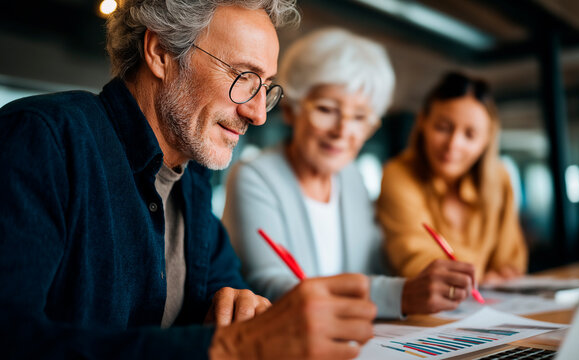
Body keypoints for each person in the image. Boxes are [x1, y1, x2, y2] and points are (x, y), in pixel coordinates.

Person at [0, 2, 377, 359]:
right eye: (243, 76)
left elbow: (230, 291)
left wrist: (245, 307)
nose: (258, 113)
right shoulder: (42, 140)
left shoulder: (192, 180)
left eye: (265, 86)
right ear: (161, 52)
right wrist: (232, 346)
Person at [222, 28, 476, 319]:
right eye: (327, 109)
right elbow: (268, 286)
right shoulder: (253, 177)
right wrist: (401, 295)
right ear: (291, 109)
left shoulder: (351, 177)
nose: (342, 131)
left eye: (359, 117)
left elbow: (375, 265)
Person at [377, 72, 528, 285]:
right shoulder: (397, 174)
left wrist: (500, 274)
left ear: (487, 139)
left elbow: (510, 262)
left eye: (470, 135)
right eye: (443, 128)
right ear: (422, 122)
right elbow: (414, 260)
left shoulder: (500, 178)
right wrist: (480, 278)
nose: (453, 144)